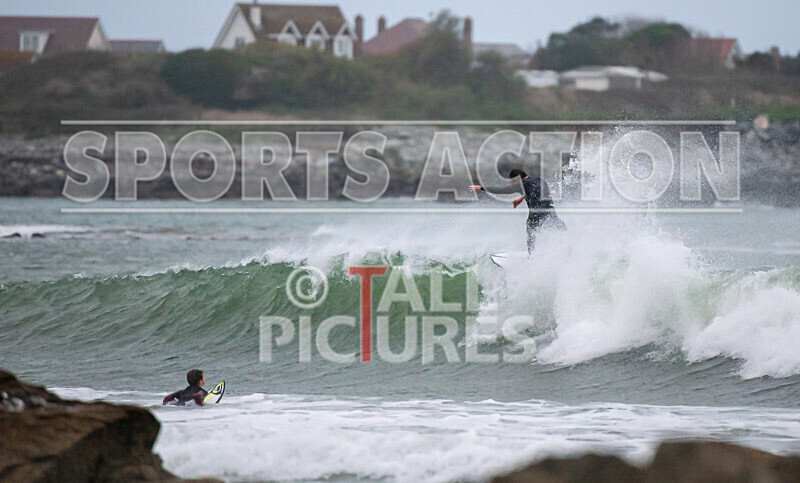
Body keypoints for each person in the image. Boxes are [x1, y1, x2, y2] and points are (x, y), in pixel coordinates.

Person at [470, 169, 566, 253]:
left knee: (531, 230)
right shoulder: (540, 180)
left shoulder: (521, 185)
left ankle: (531, 255)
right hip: (550, 211)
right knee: (559, 228)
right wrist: (521, 198)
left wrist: (480, 187)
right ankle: (568, 245)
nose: (512, 184)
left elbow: (501, 190)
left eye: (512, 181)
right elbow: (536, 191)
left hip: (536, 214)